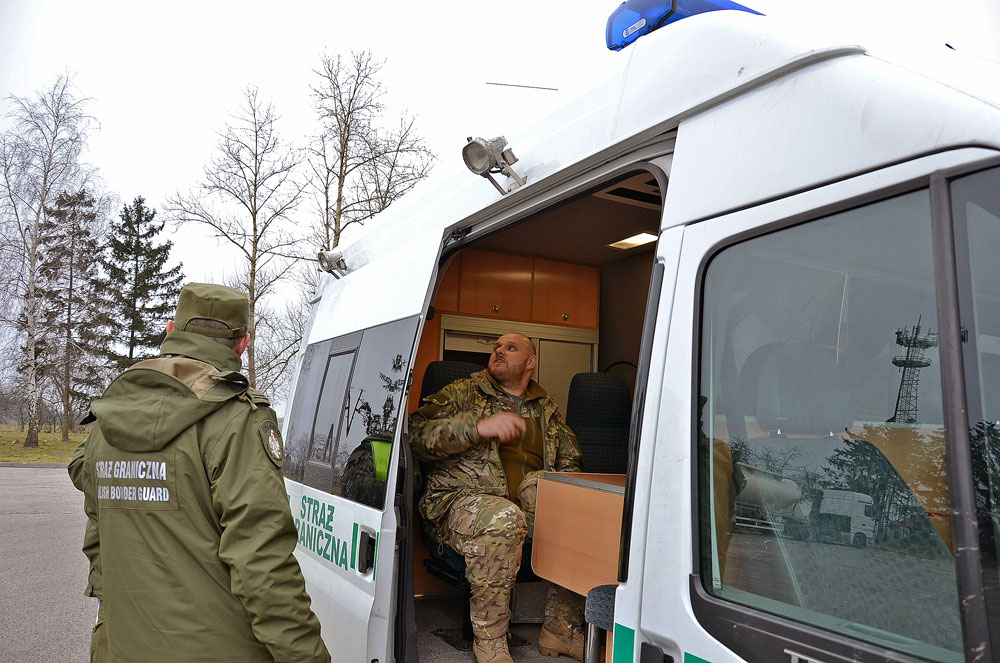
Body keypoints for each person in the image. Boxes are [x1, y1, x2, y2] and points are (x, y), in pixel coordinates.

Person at [68, 283, 331, 663]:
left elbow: (98, 533)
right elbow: (262, 564)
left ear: (171, 331)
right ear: (243, 344)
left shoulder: (110, 417)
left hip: (122, 646)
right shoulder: (237, 420)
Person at [409, 333, 586, 663]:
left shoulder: (546, 409)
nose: (499, 351)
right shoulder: (463, 392)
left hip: (527, 508)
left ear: (531, 363)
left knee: (583, 508)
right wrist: (478, 428)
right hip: (461, 501)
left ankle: (561, 630)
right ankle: (490, 642)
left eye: (510, 347)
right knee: (504, 518)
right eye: (496, 347)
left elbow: (569, 463)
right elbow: (417, 437)